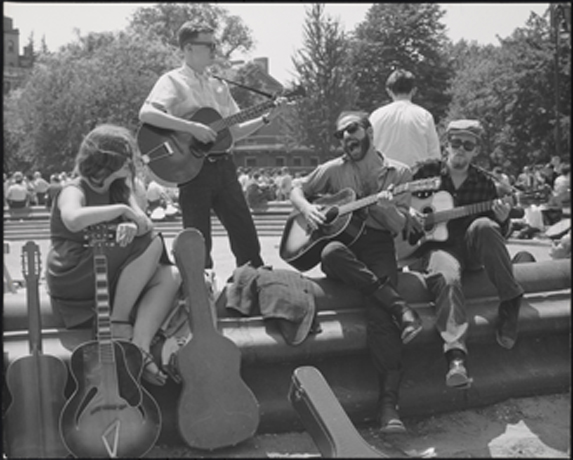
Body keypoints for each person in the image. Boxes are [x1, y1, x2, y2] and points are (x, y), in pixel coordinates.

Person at [289, 110, 422, 434]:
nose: (346, 138)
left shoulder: (399, 172)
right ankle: (401, 307)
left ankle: (389, 406)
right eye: (340, 134)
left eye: (351, 130)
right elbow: (296, 187)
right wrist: (307, 208)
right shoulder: (333, 170)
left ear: (369, 131)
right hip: (343, 250)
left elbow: (400, 224)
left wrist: (382, 206)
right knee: (331, 251)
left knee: (379, 318)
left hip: (377, 246)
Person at [139, 20, 286, 274]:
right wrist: (191, 128)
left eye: (214, 44)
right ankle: (201, 299)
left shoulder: (219, 84)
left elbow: (234, 131)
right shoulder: (173, 81)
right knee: (198, 242)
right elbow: (147, 113)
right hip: (192, 171)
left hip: (224, 168)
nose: (214, 50)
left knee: (246, 236)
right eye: (208, 45)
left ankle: (253, 287)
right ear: (187, 48)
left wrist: (266, 118)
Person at [46, 124, 181, 386]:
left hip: (106, 263)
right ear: (107, 158)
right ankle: (118, 324)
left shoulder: (121, 189)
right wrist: (121, 212)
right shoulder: (74, 189)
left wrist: (131, 222)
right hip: (75, 267)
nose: (132, 160)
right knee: (152, 243)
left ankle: (139, 348)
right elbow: (73, 220)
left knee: (170, 274)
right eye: (126, 154)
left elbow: (144, 225)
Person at [408, 119, 524, 390]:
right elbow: (401, 199)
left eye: (467, 144)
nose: (460, 149)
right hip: (436, 248)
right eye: (455, 142)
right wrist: (410, 213)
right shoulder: (426, 171)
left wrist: (503, 219)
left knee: (485, 225)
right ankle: (456, 357)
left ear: (476, 150)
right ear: (447, 145)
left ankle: (511, 299)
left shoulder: (486, 184)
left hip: (470, 249)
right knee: (447, 278)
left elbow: (495, 236)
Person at [369, 69, 440, 167]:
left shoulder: (376, 116)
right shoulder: (424, 115)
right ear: (414, 90)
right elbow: (434, 154)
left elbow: (369, 151)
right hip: (417, 177)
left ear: (389, 91)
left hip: (385, 176)